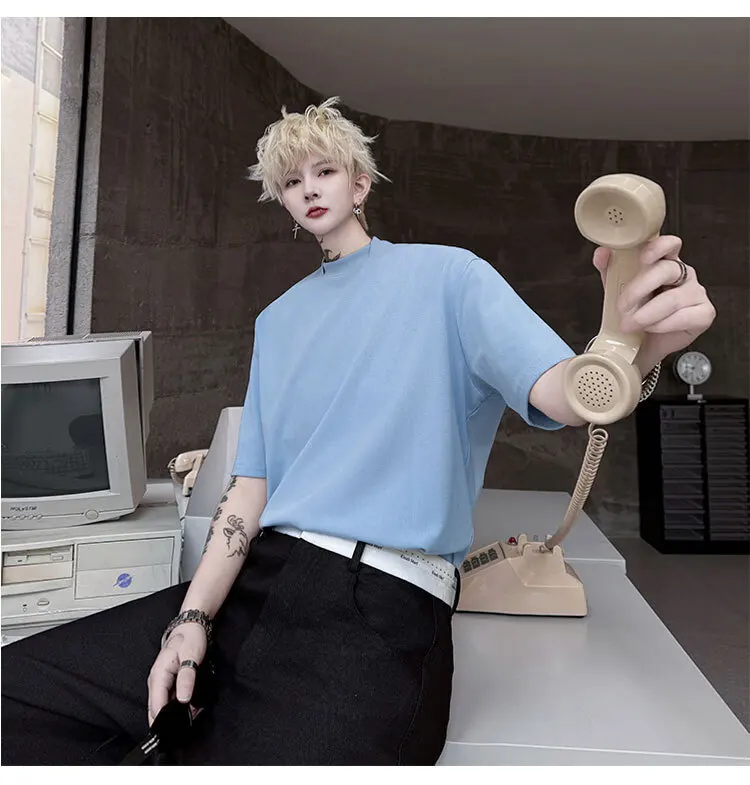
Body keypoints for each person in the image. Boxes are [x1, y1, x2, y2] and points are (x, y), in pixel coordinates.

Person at [1, 97, 716, 766]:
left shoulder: (448, 277)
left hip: (381, 603)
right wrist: (191, 619)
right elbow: (249, 491)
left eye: (325, 171)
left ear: (361, 183)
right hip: (261, 580)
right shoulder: (277, 321)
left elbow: (564, 395)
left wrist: (633, 347)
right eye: (291, 181)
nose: (308, 189)